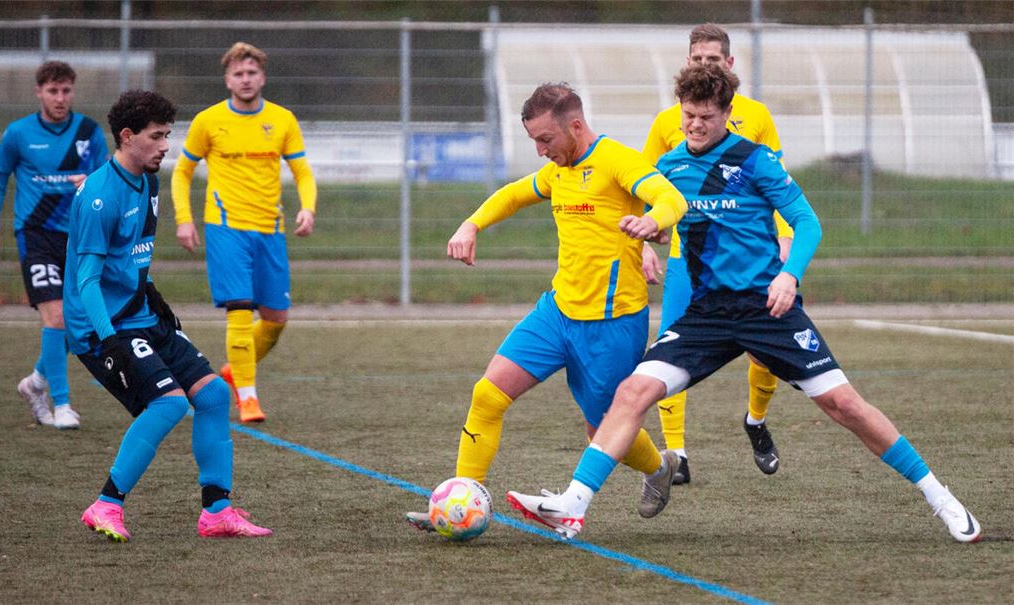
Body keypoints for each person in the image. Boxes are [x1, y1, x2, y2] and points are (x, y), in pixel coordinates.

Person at [507, 64, 981, 544]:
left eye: (706, 117)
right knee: (632, 393)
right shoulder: (669, 167)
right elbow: (641, 212)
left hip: (766, 310)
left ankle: (939, 495)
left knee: (845, 405)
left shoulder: (757, 162)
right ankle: (574, 504)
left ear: (728, 115)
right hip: (707, 315)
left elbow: (807, 222)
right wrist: (645, 242)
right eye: (688, 115)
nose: (695, 125)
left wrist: (789, 276)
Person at [406, 82, 689, 532]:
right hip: (556, 312)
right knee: (487, 394)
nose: (540, 151)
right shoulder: (557, 171)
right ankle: (459, 503)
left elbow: (673, 198)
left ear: (575, 126)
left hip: (611, 324)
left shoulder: (617, 161)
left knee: (603, 430)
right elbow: (514, 194)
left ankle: (659, 468)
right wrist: (471, 223)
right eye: (534, 140)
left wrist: (651, 221)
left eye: (546, 140)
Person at [65, 89, 271, 542]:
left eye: (167, 135)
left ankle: (216, 512)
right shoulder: (100, 195)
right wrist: (109, 339)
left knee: (215, 395)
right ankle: (105, 504)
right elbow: (87, 280)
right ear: (126, 136)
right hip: (102, 327)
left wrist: (148, 293)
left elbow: (130, 257)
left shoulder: (148, 180)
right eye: (156, 137)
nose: (165, 146)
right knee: (170, 403)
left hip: (139, 315)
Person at [641, 23, 794, 484]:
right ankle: (677, 454)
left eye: (713, 60)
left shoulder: (757, 117)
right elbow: (646, 186)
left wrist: (785, 240)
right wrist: (649, 244)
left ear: (729, 65)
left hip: (750, 260)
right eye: (696, 59)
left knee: (766, 356)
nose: (704, 65)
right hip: (688, 259)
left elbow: (779, 184)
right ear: (687, 62)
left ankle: (756, 420)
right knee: (669, 348)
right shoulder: (669, 121)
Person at [171, 42, 317, 423]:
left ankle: (235, 371)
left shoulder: (282, 120)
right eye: (238, 73)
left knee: (275, 318)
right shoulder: (209, 121)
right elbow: (182, 172)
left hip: (270, 229)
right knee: (239, 309)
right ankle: (248, 398)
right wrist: (184, 218)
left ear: (262, 77)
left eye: (252, 73)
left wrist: (307, 207)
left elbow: (302, 171)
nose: (246, 79)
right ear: (227, 79)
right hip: (226, 228)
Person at [0, 61, 109, 429]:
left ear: (73, 91)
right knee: (55, 316)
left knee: (78, 323)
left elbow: (109, 181)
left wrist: (88, 181)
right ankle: (62, 405)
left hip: (78, 236)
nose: (60, 98)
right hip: (35, 233)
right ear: (38, 92)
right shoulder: (18, 133)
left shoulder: (89, 131)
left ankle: (36, 382)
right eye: (52, 91)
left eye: (66, 91)